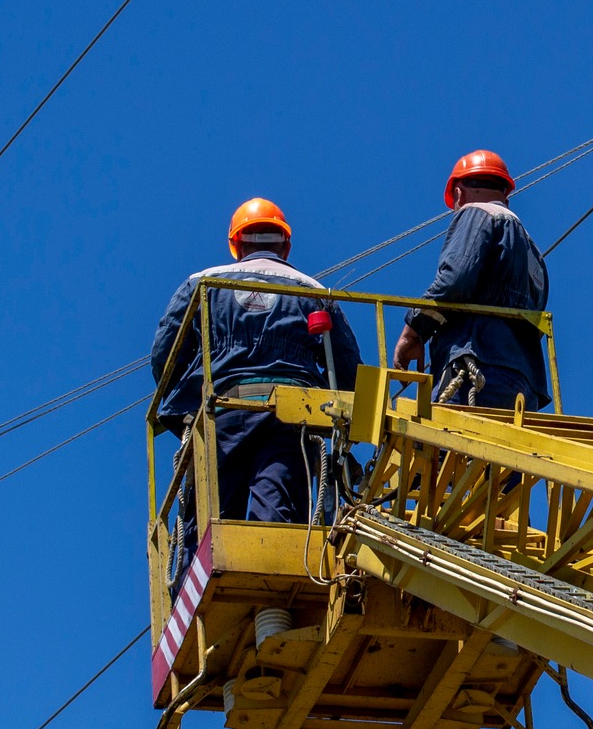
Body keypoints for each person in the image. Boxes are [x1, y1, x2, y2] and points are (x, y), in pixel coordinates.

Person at [151, 198, 361, 524]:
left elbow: (165, 357)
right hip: (292, 417)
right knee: (278, 519)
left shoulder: (203, 283)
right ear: (286, 245)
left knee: (209, 527)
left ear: (235, 243)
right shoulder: (315, 291)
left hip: (218, 416)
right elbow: (348, 369)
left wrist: (185, 401)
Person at [391, 150, 550, 411]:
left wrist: (414, 329)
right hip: (524, 386)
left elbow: (454, 280)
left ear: (458, 193)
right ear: (505, 194)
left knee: (441, 447)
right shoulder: (534, 253)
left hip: (475, 367)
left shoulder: (475, 213)